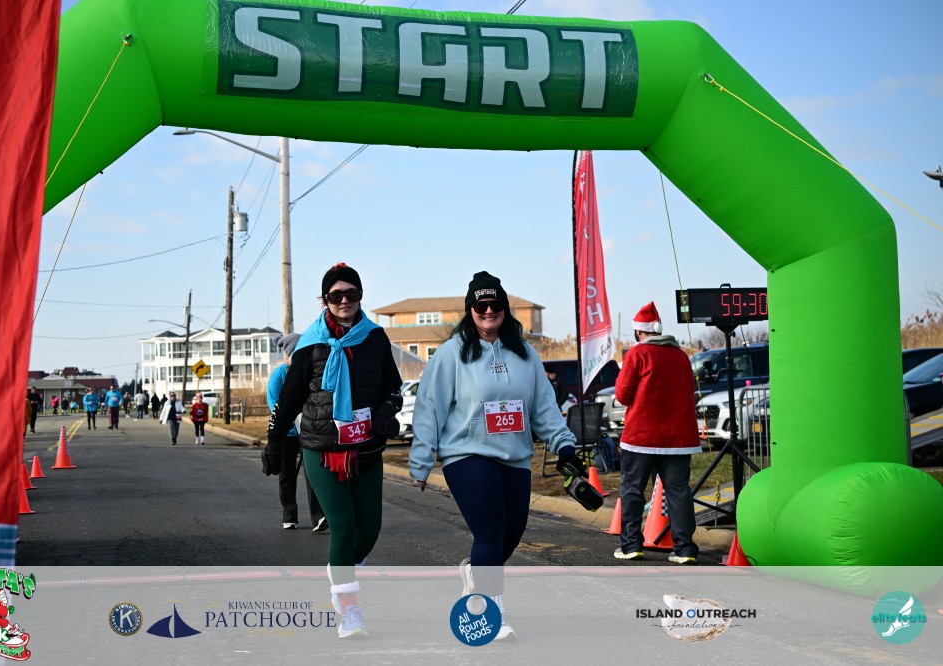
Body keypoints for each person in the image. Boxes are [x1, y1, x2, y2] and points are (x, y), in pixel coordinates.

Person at [408, 271, 580, 641]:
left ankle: (477, 573)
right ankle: (490, 614)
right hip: (466, 453)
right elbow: (429, 408)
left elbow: (544, 408)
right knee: (489, 529)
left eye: (495, 304)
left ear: (505, 308)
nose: (488, 311)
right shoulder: (452, 354)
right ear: (470, 310)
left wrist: (564, 445)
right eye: (480, 305)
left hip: (514, 456)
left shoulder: (525, 354)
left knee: (511, 534)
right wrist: (421, 461)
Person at [264, 263, 402, 639]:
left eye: (351, 294)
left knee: (369, 530)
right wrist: (274, 441)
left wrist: (385, 414)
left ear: (360, 296)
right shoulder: (310, 343)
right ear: (324, 299)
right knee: (342, 526)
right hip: (321, 447)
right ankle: (348, 608)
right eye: (335, 295)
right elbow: (289, 399)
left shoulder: (375, 337)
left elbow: (393, 388)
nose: (344, 301)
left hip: (365, 448)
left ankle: (342, 571)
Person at [613, 301, 701, 565]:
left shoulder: (637, 354)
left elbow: (622, 394)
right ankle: (685, 549)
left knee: (632, 490)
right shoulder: (681, 356)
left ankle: (631, 545)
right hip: (678, 439)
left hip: (641, 438)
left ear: (638, 331)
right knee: (679, 492)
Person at [266, 333, 326, 532]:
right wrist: (289, 422)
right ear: (289, 355)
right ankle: (289, 516)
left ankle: (319, 516)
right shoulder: (279, 374)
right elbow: (274, 403)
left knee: (314, 473)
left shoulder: (312, 373)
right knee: (287, 475)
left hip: (309, 431)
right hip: (287, 433)